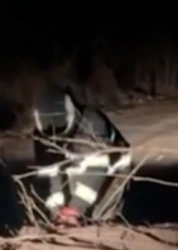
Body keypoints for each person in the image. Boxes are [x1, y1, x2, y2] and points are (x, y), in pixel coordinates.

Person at [31, 82, 132, 226]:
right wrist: (56, 210)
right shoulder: (42, 135)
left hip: (112, 167)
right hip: (75, 166)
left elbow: (96, 170)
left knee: (99, 215)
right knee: (68, 210)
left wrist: (75, 207)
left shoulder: (92, 123)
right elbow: (49, 175)